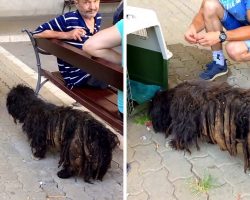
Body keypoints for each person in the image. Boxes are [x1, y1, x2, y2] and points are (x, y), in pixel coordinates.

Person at [33, 0, 107, 89]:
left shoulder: (97, 18)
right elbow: (37, 33)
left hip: (90, 69)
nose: (92, 7)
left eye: (95, 1)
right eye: (87, 2)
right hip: (77, 77)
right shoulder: (69, 19)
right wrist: (67, 35)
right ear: (76, 3)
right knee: (118, 79)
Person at [184, 0, 250, 81]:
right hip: (242, 24)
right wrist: (193, 28)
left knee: (234, 49)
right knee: (209, 5)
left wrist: (221, 36)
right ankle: (219, 62)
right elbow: (203, 11)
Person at [83, 19, 124, 115]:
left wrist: (122, 60)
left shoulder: (125, 25)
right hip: (134, 105)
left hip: (124, 106)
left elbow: (89, 46)